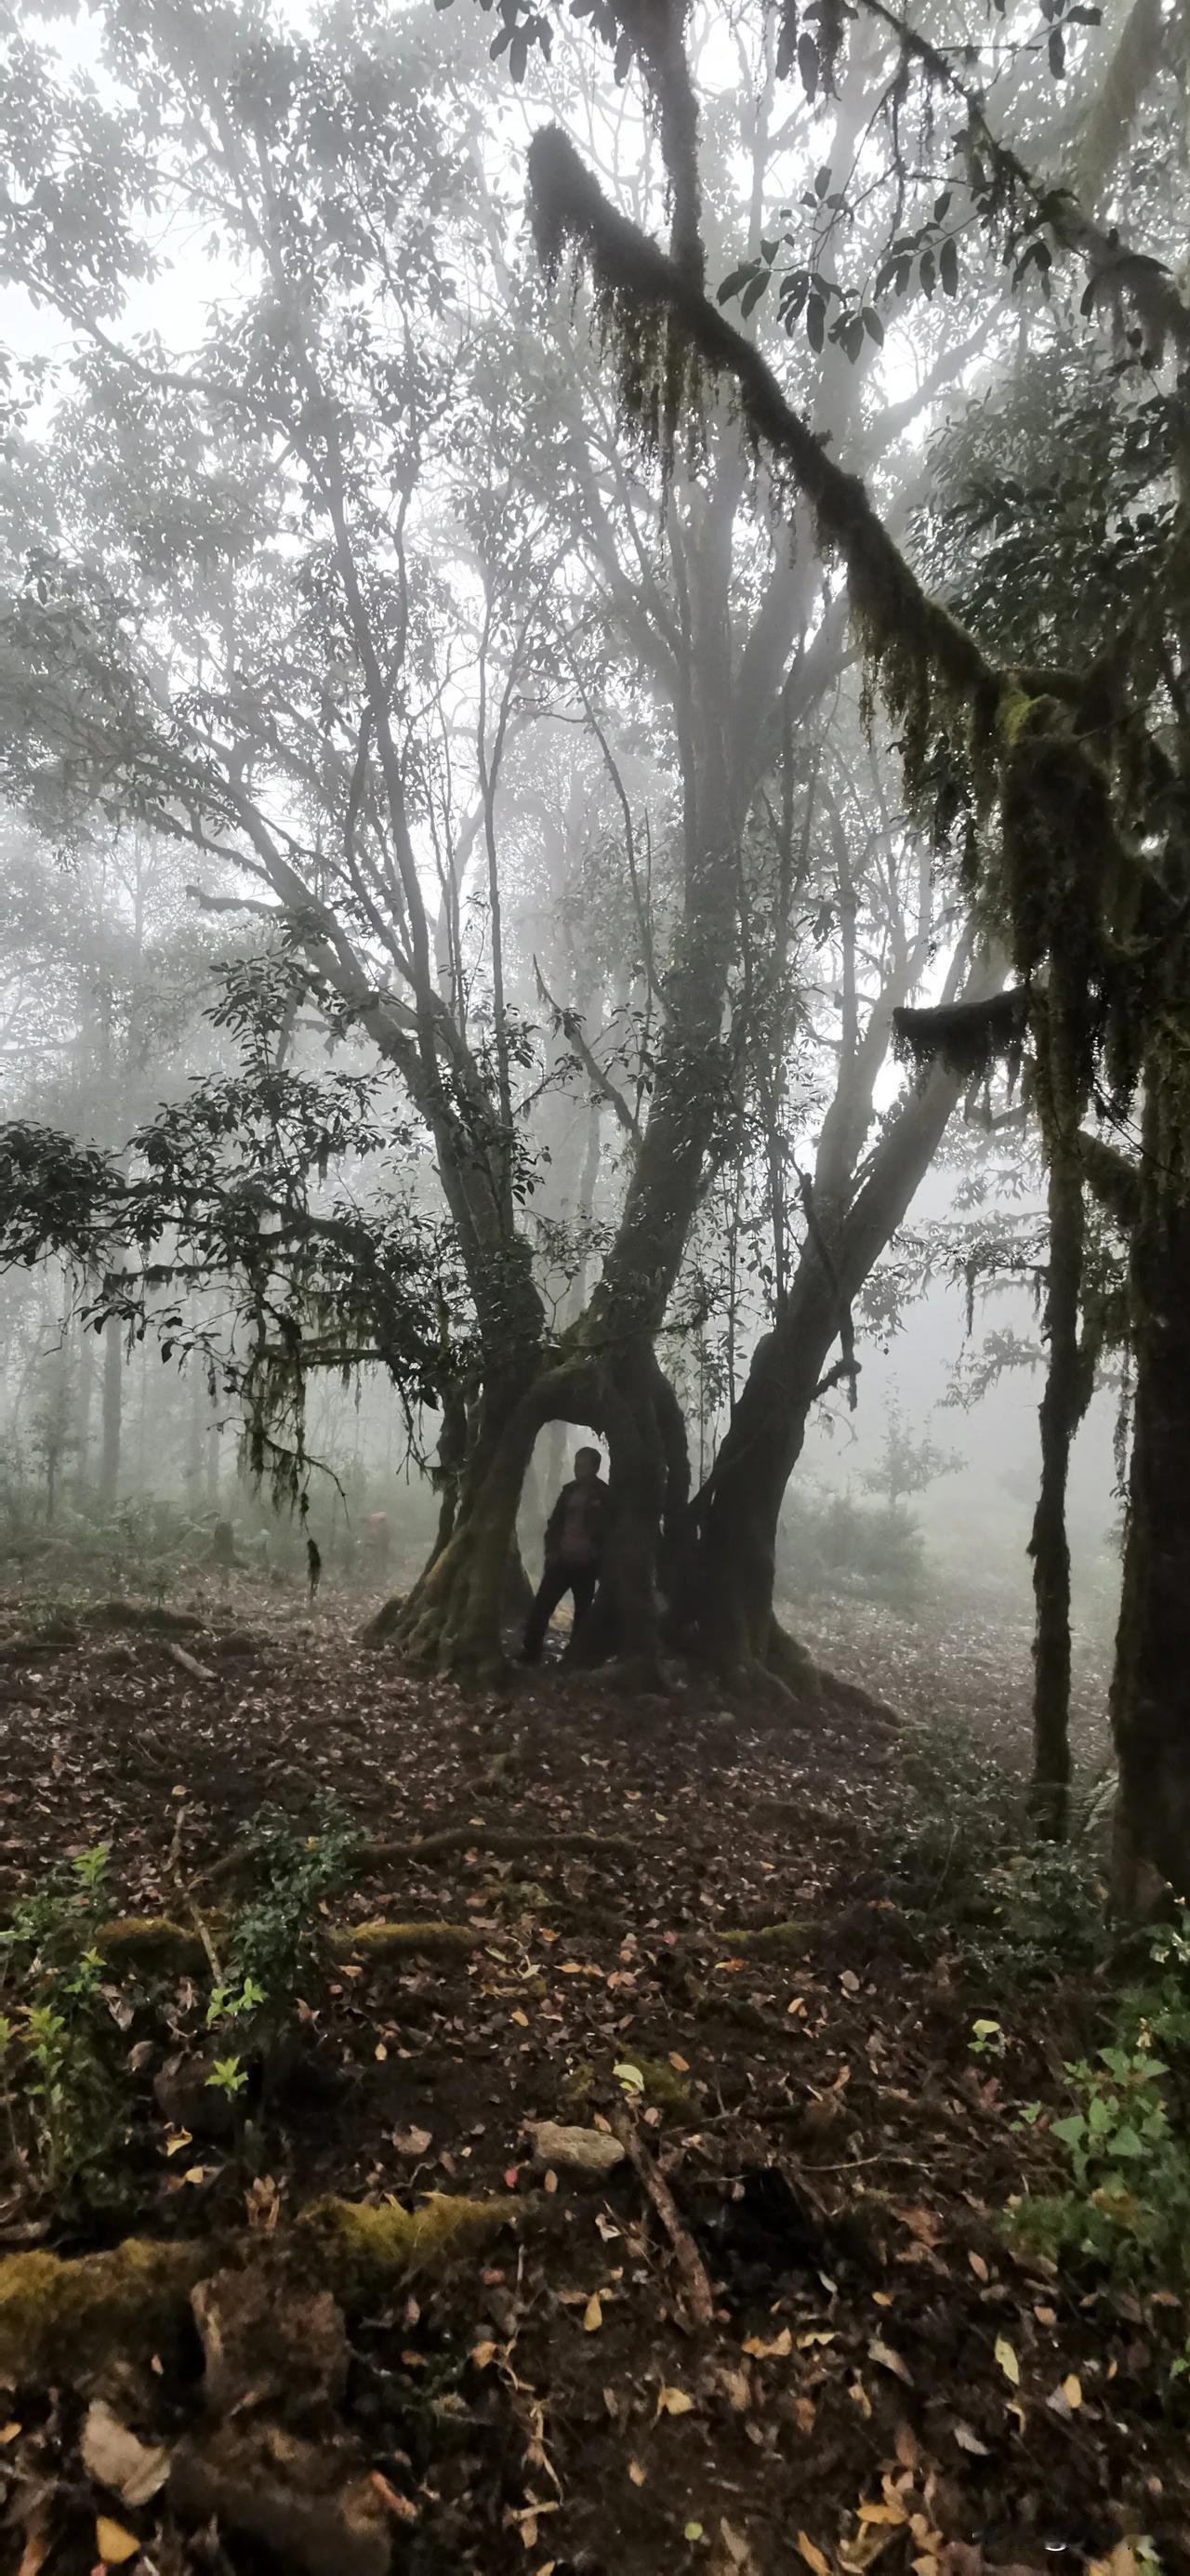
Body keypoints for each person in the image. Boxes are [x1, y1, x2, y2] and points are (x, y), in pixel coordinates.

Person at [522, 1446, 611, 1665]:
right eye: (576, 1464)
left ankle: (575, 1658)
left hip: (586, 1565)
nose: (577, 1469)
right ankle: (530, 1654)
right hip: (561, 1561)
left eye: (582, 1465)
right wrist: (551, 1551)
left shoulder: (605, 1495)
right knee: (541, 1608)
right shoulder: (568, 1491)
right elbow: (555, 1524)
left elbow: (610, 1530)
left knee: (582, 1614)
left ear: (594, 1468)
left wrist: (597, 1555)